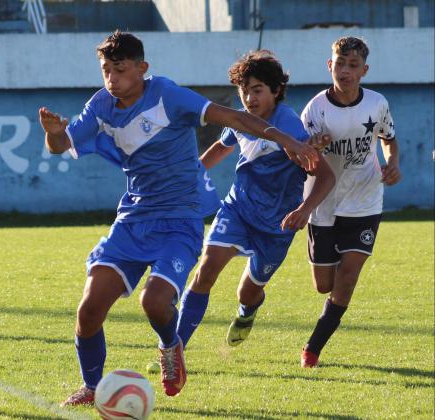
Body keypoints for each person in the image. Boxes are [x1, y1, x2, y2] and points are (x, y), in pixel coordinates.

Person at [38, 31, 319, 406]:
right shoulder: (101, 105)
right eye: (105, 70)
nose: (111, 78)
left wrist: (288, 140)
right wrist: (54, 135)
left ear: (142, 68)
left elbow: (234, 117)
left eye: (119, 69)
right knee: (88, 310)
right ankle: (92, 387)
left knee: (154, 302)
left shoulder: (168, 96)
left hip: (180, 219)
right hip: (134, 218)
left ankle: (171, 347)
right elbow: (61, 146)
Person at [174, 50, 334, 350]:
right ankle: (175, 349)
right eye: (243, 90)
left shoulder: (290, 125)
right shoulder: (240, 121)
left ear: (276, 91)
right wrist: (187, 176)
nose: (249, 98)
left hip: (277, 225)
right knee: (206, 270)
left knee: (247, 292)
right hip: (238, 210)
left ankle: (247, 313)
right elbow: (221, 149)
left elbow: (326, 177)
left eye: (257, 90)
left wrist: (305, 209)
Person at [299, 36, 400, 368]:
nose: (344, 71)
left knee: (349, 274)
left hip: (365, 200)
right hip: (323, 202)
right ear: (330, 65)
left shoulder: (377, 104)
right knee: (323, 284)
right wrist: (314, 145)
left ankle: (313, 349)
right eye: (339, 64)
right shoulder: (315, 109)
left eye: (352, 65)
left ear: (364, 70)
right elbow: (301, 156)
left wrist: (392, 163)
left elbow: (389, 140)